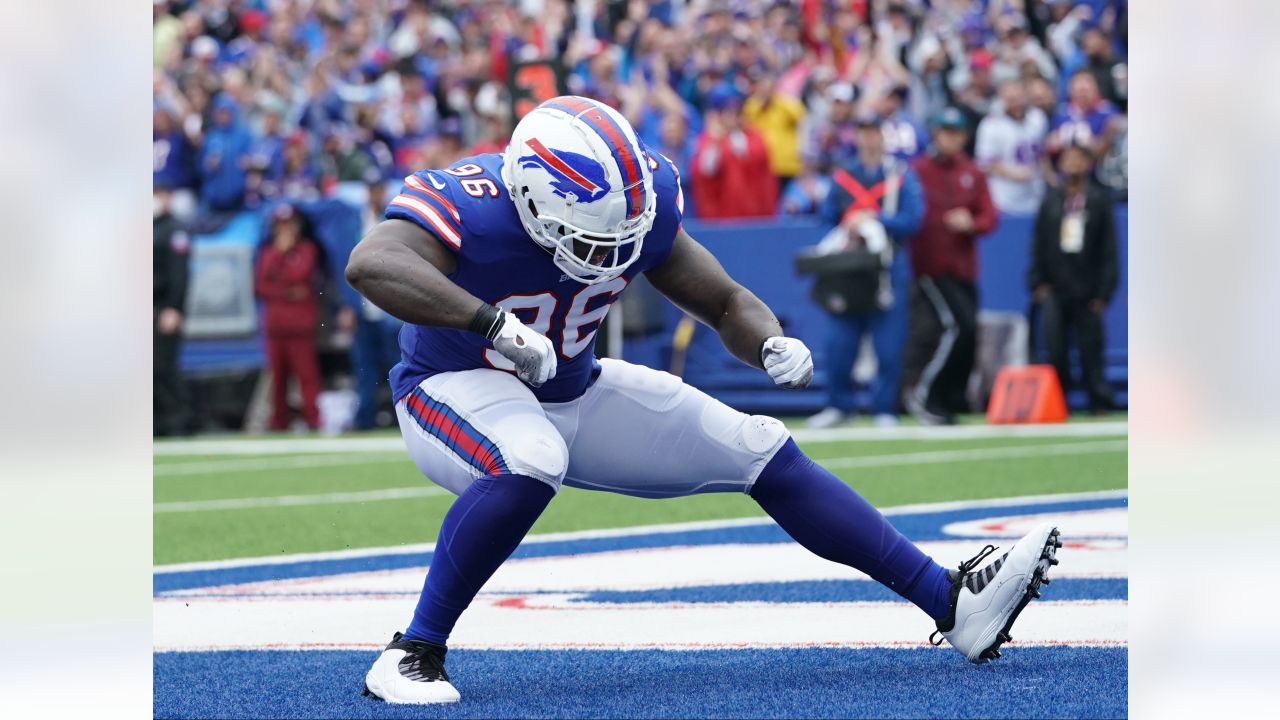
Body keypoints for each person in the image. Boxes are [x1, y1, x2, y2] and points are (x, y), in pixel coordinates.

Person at [345, 95, 1061, 704]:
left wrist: (767, 341)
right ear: (533, 198)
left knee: (761, 447)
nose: (611, 252)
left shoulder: (642, 200)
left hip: (571, 386)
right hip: (450, 388)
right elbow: (372, 262)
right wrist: (491, 323)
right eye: (593, 238)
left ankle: (950, 602)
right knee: (530, 458)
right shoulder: (470, 199)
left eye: (623, 235)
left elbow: (720, 298)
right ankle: (411, 652)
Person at [806, 113, 924, 429]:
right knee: (839, 343)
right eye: (863, 133)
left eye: (874, 133)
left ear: (884, 137)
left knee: (888, 345)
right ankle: (839, 405)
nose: (869, 139)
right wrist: (848, 226)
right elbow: (827, 218)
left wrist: (873, 219)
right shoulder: (843, 175)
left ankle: (884, 408)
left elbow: (913, 220)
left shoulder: (900, 175)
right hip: (848, 270)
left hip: (885, 270)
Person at [904, 107, 999, 424]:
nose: (950, 138)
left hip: (964, 268)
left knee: (967, 332)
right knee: (957, 328)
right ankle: (925, 394)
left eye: (956, 133)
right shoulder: (918, 171)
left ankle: (950, 399)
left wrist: (971, 222)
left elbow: (989, 216)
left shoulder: (972, 172)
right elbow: (912, 214)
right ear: (935, 134)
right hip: (931, 267)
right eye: (945, 132)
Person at [1028, 140, 1118, 412]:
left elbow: (1108, 249)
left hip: (1088, 286)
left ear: (1089, 164)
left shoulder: (1099, 201)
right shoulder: (1052, 199)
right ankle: (1058, 400)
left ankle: (1098, 399)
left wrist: (1104, 290)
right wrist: (1038, 281)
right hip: (1056, 285)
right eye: (1068, 159)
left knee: (1091, 346)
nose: (1073, 164)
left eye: (1079, 159)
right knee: (1055, 347)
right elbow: (1039, 243)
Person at [339, 180, 404, 430]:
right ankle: (363, 419)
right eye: (371, 189)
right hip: (363, 307)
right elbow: (344, 265)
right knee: (363, 369)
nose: (375, 194)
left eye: (379, 188)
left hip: (391, 307)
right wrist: (347, 305)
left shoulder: (394, 219)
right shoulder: (356, 221)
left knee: (397, 365)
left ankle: (405, 418)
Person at [254, 204, 323, 431]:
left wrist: (281, 286)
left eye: (288, 224)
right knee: (278, 379)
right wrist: (288, 290)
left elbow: (300, 274)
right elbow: (261, 286)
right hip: (275, 327)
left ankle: (313, 420)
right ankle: (279, 423)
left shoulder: (306, 249)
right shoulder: (268, 253)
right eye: (280, 225)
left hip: (300, 326)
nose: (284, 230)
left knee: (307, 376)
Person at [690, 89, 778, 218]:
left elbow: (756, 159)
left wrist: (733, 137)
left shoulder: (754, 137)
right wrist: (715, 142)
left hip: (755, 213)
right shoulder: (708, 139)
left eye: (737, 113)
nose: (733, 118)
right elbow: (706, 170)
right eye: (728, 113)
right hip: (722, 215)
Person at [975, 79, 1048, 215]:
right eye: (1010, 98)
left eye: (1018, 96)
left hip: (1034, 193)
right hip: (1004, 196)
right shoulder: (991, 125)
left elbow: (1042, 153)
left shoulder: (1038, 117)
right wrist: (1014, 173)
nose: (1016, 102)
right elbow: (986, 163)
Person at [153, 182, 192, 437]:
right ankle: (155, 422)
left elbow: (179, 274)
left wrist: (175, 307)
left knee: (163, 366)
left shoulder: (174, 229)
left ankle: (178, 421)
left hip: (164, 304)